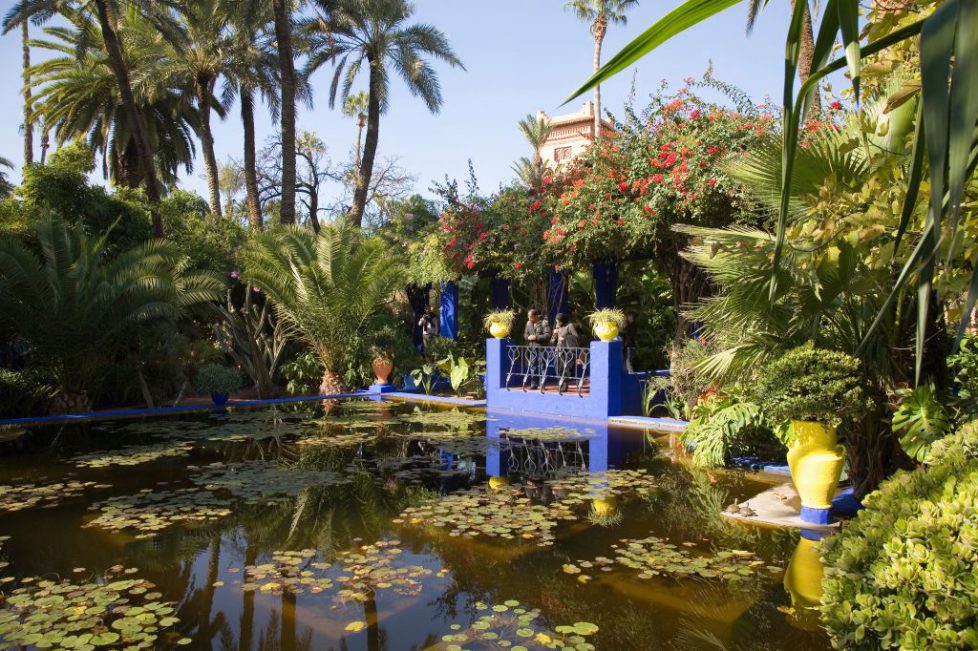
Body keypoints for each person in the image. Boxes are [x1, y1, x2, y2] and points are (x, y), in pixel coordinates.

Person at [523, 308, 551, 388]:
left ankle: (542, 384)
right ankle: (533, 384)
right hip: (532, 348)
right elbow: (525, 334)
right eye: (528, 316)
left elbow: (547, 335)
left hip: (542, 348)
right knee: (532, 365)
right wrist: (528, 337)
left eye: (530, 316)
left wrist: (536, 337)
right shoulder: (528, 323)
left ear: (536, 316)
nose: (529, 318)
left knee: (543, 365)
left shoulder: (544, 323)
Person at [551, 313, 579, 391]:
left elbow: (576, 337)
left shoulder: (569, 326)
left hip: (566, 351)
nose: (557, 323)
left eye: (558, 322)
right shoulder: (557, 327)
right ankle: (560, 384)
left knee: (564, 368)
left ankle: (563, 387)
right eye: (556, 322)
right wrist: (554, 335)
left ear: (563, 320)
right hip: (558, 351)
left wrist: (565, 338)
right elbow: (552, 341)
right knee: (557, 368)